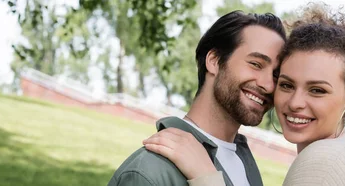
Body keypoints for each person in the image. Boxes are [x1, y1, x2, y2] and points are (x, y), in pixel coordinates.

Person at [143, 3, 345, 186]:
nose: (294, 103)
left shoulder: (321, 163)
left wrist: (206, 176)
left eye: (317, 90)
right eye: (286, 84)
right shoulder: (343, 151)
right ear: (213, 61)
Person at [107, 10, 287, 186]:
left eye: (276, 75)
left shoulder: (244, 162)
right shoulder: (150, 172)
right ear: (214, 61)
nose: (269, 85)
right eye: (256, 64)